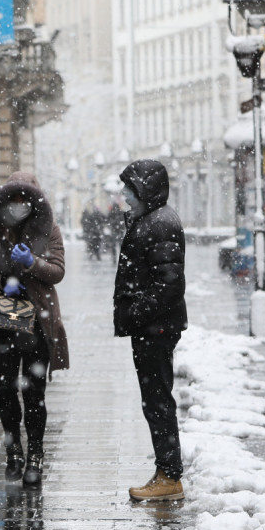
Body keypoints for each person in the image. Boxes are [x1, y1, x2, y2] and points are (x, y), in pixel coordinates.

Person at [0, 172, 68, 488]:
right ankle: (14, 451)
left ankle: (36, 456)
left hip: (37, 321)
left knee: (34, 393)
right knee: (4, 388)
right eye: (12, 198)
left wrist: (31, 264)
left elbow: (57, 271)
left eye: (24, 198)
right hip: (1, 321)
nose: (18, 205)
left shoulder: (49, 229)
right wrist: (1, 281)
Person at [113, 159, 187, 501]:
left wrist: (137, 313)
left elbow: (168, 283)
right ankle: (165, 472)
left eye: (130, 187)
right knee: (154, 400)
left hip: (155, 328)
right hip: (151, 326)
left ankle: (169, 477)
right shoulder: (150, 219)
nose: (124, 193)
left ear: (146, 189)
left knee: (158, 401)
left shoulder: (160, 224)